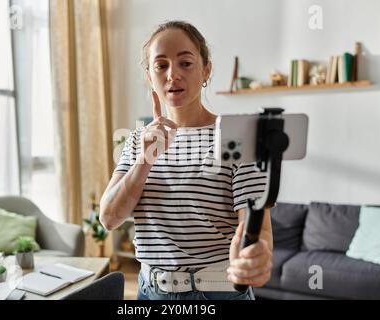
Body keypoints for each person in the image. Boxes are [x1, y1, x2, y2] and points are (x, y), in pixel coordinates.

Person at [100, 20, 273, 300]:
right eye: (161, 65)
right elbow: (109, 218)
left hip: (218, 293)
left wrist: (255, 254)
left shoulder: (237, 136)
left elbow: (258, 228)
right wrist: (144, 160)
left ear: (206, 69)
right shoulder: (136, 140)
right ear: (149, 77)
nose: (172, 75)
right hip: (150, 291)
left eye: (186, 63)